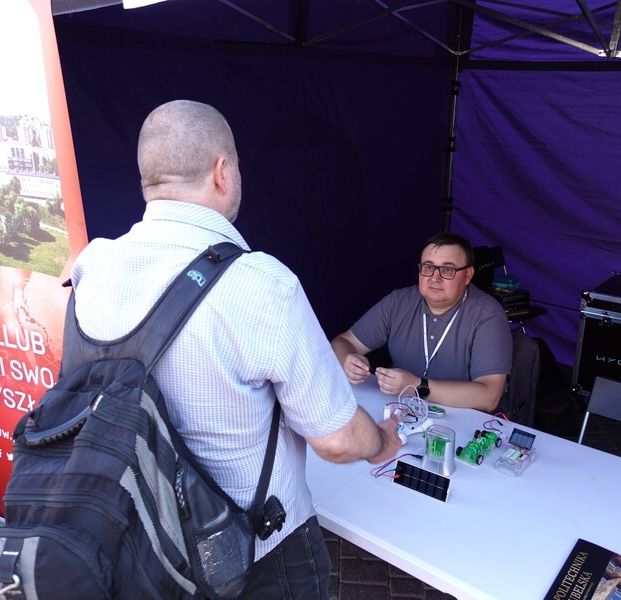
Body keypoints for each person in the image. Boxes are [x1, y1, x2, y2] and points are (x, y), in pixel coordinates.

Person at [70, 100, 402, 599]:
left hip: (137, 536)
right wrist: (382, 441)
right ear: (222, 172)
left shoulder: (91, 266)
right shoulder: (262, 283)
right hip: (255, 552)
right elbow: (335, 439)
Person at [331, 232, 513, 412]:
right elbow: (343, 341)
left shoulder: (488, 315)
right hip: (403, 410)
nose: (435, 278)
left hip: (467, 419)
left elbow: (489, 396)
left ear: (468, 275)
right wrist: (347, 358)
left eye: (447, 270)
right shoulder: (398, 302)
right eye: (428, 267)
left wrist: (417, 386)